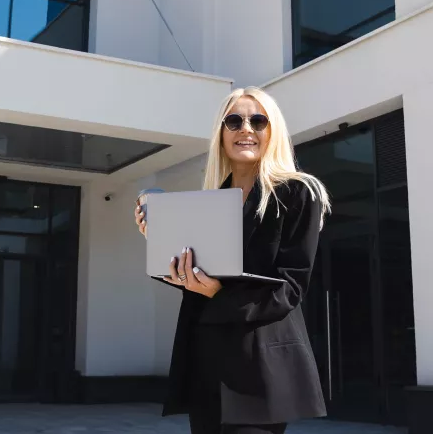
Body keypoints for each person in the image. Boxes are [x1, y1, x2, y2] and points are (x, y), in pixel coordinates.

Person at [134, 87, 330, 434]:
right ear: (221, 134)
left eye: (258, 120)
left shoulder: (298, 192)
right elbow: (195, 276)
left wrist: (218, 294)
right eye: (234, 121)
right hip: (206, 363)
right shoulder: (210, 202)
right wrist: (161, 241)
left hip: (260, 367)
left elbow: (291, 288)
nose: (246, 128)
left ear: (273, 130)